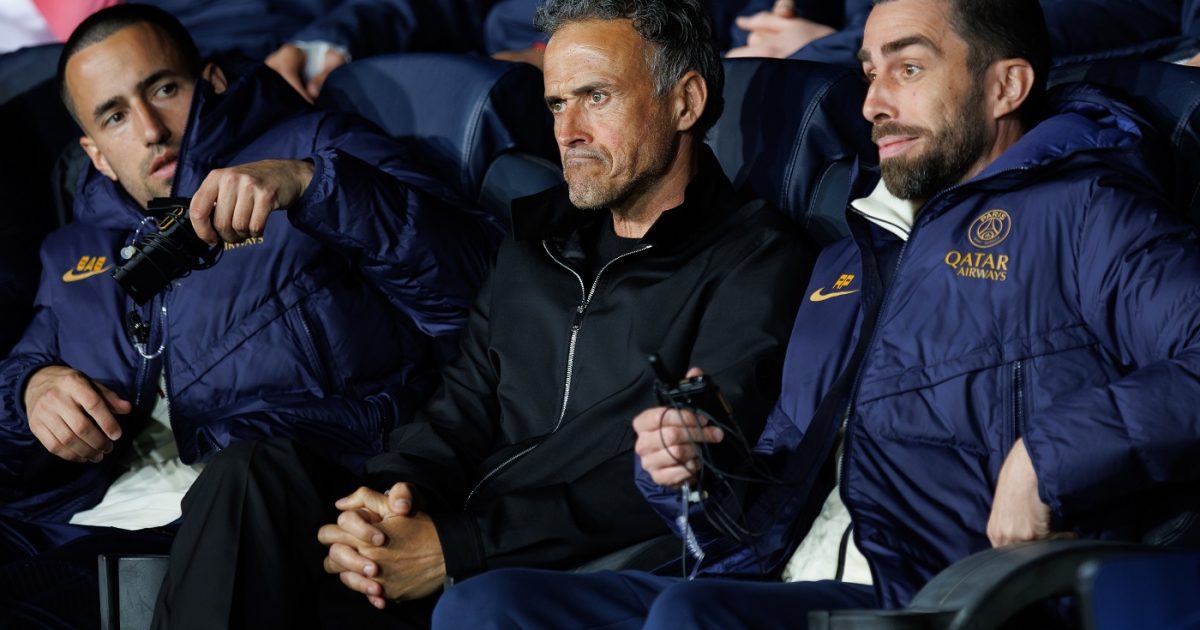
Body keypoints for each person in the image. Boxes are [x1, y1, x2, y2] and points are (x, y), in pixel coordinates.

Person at [432, 0, 1200, 626]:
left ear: (1006, 87)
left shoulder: (1086, 210)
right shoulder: (850, 253)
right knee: (488, 606)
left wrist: (1044, 459)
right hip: (773, 574)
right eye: (868, 72)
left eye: (908, 68)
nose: (873, 103)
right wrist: (691, 469)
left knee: (694, 617)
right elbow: (778, 469)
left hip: (928, 594)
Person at [149, 0, 812, 627]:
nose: (568, 133)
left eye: (596, 97)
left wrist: (458, 548)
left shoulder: (756, 257)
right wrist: (386, 506)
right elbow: (458, 411)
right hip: (446, 546)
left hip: (557, 581)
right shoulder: (537, 242)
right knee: (254, 476)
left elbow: (680, 471)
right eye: (557, 103)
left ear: (685, 101)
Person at [0, 4, 500, 627]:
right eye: (116, 116)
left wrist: (315, 185)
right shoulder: (74, 250)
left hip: (281, 504)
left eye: (164, 89)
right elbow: (21, 388)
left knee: (247, 472)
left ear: (211, 82)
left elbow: (479, 291)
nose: (150, 129)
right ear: (96, 154)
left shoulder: (318, 149)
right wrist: (30, 389)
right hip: (90, 525)